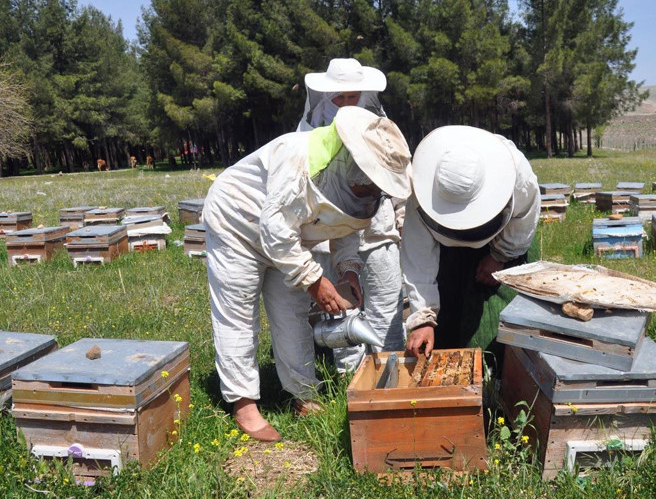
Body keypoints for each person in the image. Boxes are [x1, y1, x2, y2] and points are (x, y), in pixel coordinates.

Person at [203, 106, 412, 442]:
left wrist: (348, 270)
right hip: (238, 222)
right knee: (239, 310)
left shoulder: (359, 185)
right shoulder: (299, 160)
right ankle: (244, 404)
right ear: (355, 162)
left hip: (289, 235)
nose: (375, 191)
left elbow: (347, 226)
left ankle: (303, 394)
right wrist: (315, 281)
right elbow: (274, 227)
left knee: (293, 314)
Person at [297, 58, 405, 371]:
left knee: (386, 306)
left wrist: (399, 217)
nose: (345, 103)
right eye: (338, 98)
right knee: (343, 310)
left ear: (365, 94)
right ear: (325, 96)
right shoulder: (309, 131)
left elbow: (395, 177)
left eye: (352, 96)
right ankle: (351, 380)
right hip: (330, 235)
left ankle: (391, 375)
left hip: (377, 232)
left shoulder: (380, 126)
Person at [401, 126, 540, 361]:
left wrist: (499, 256)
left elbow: (525, 218)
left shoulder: (519, 175)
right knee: (448, 315)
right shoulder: (421, 192)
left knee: (499, 325)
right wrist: (423, 318)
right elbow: (419, 258)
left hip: (507, 240)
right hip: (447, 252)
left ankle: (498, 378)